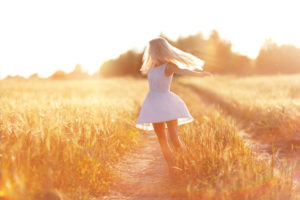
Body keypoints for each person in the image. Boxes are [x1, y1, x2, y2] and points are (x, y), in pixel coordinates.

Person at [135, 37, 212, 173]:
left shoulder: (168, 66)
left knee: (174, 138)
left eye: (151, 50)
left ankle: (189, 164)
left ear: (157, 50)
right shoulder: (152, 66)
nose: (149, 53)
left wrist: (200, 74)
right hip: (152, 103)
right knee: (161, 139)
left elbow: (184, 71)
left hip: (167, 102)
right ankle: (172, 168)